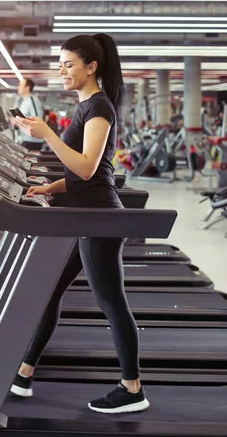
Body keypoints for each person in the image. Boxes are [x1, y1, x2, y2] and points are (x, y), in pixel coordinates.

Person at [12, 33, 149, 414]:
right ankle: (24, 374)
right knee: (51, 290)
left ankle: (132, 389)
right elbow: (80, 173)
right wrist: (47, 186)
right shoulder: (86, 105)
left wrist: (48, 135)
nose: (63, 71)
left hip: (100, 217)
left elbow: (88, 168)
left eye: (69, 64)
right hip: (84, 213)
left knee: (112, 303)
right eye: (60, 65)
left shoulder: (99, 107)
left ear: (92, 67)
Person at [16, 78, 45, 151]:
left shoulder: (32, 100)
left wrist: (20, 122)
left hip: (32, 141)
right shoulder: (24, 101)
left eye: (21, 85)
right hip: (25, 139)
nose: (18, 87)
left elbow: (37, 119)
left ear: (27, 88)